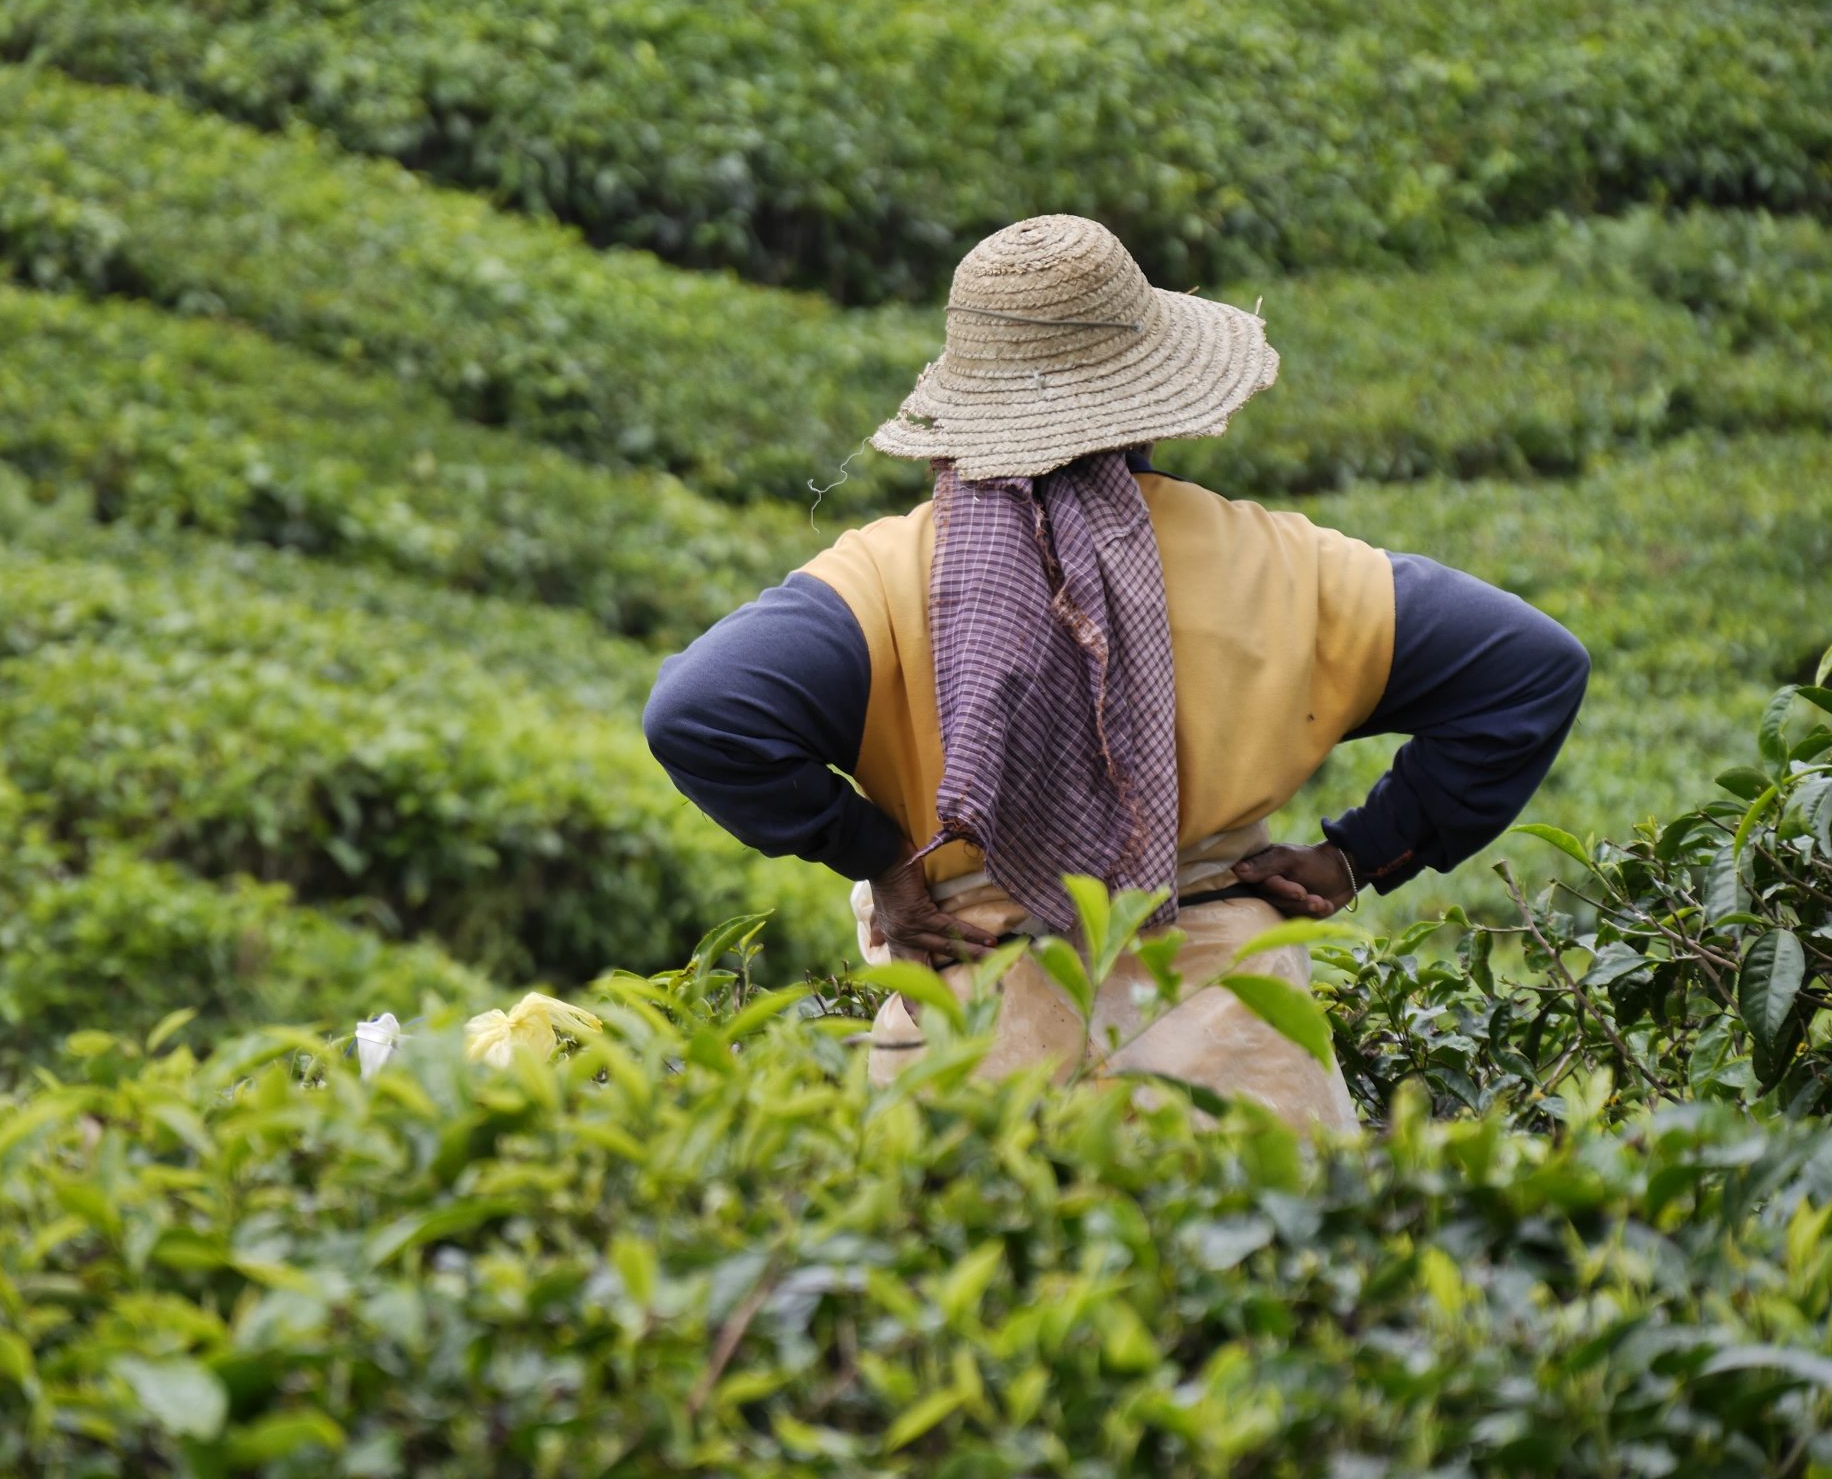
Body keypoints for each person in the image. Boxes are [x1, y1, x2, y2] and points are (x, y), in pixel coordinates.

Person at [644, 215, 1588, 1127]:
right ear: (1159, 408)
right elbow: (1529, 669)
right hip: (1231, 1047)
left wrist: (880, 855)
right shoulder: (1288, 569)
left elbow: (697, 712)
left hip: (979, 1055)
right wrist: (1360, 854)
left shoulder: (886, 581)